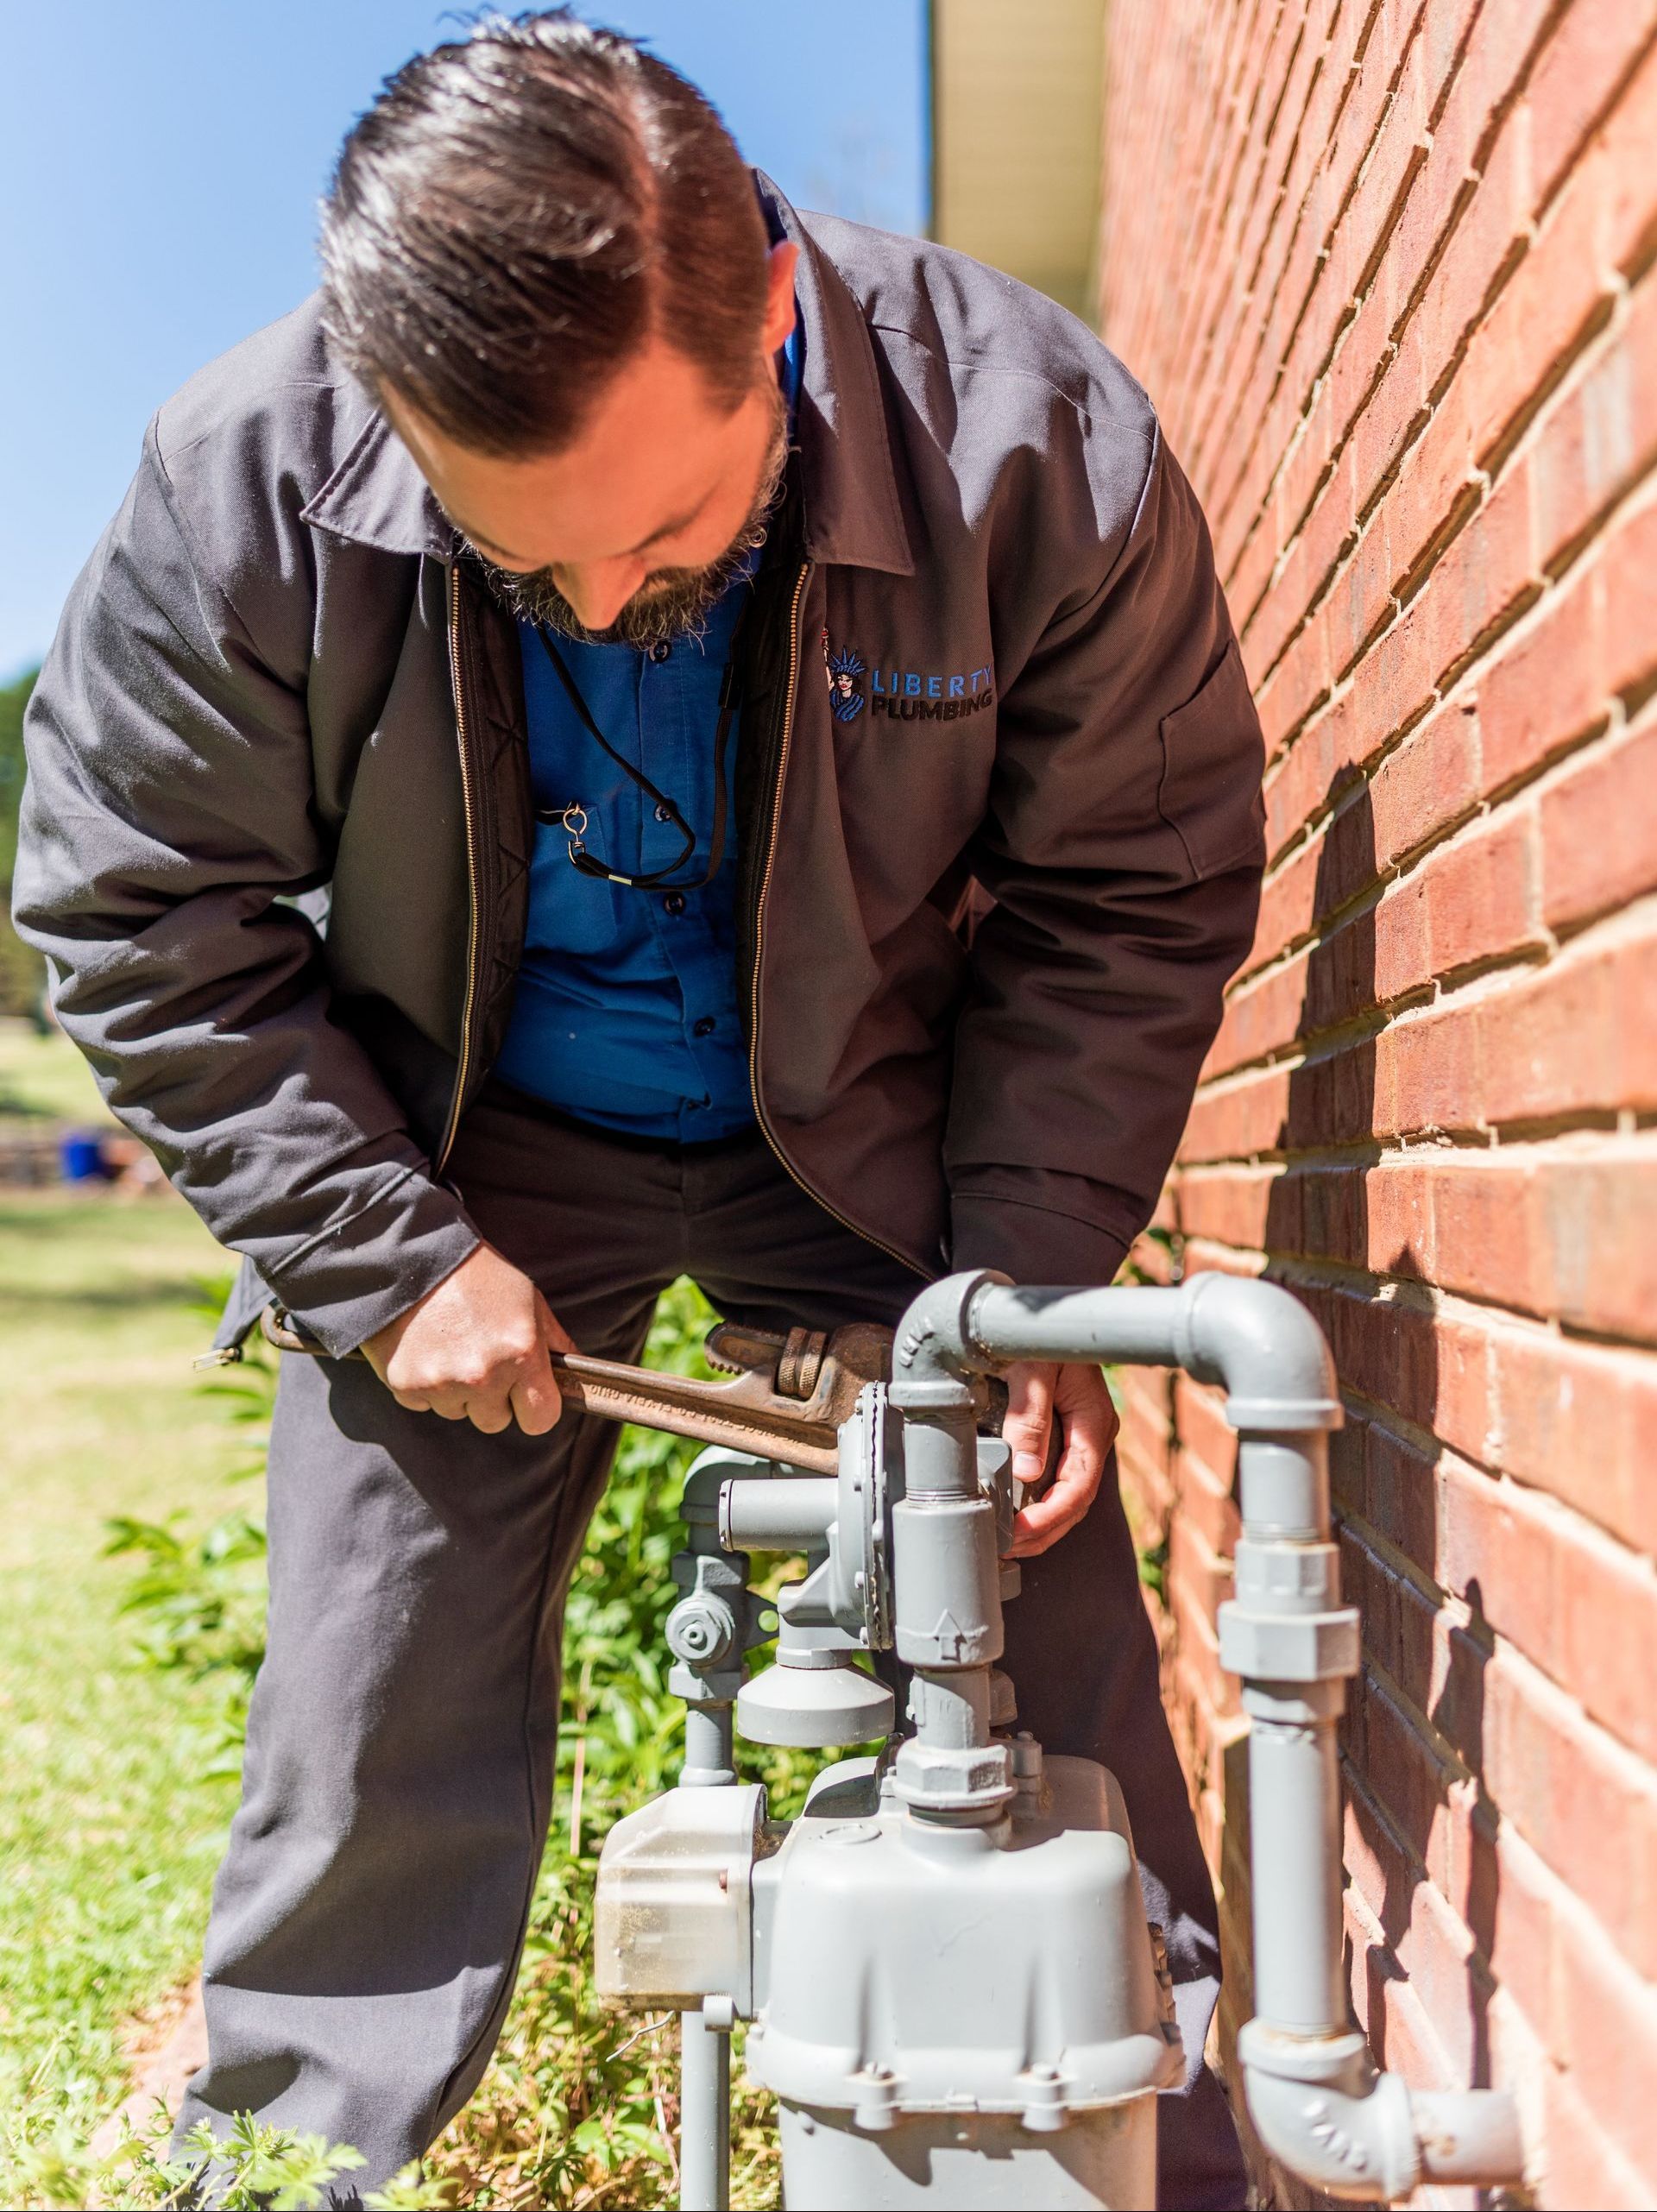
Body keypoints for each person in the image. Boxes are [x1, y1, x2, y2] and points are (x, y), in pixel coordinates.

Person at [15, 15, 1265, 2205]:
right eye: (524, 563)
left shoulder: (1033, 442)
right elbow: (134, 916)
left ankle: (1160, 2134)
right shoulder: (244, 481)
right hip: (459, 1146)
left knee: (1024, 1603)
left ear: (775, 309)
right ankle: (304, 2154)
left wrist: (1026, 1263)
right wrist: (385, 1260)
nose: (599, 600)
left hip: (884, 1133)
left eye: (665, 537)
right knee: (370, 1673)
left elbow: (1128, 888)